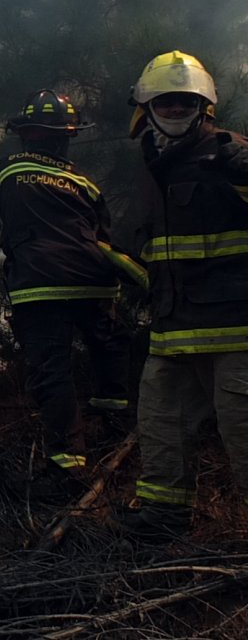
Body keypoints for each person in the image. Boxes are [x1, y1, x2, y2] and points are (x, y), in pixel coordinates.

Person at [0, 90, 139, 499]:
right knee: (107, 346)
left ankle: (67, 467)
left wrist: (7, 239)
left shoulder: (7, 170)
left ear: (25, 135)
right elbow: (104, 235)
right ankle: (114, 425)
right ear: (67, 137)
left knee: (53, 369)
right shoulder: (84, 182)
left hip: (41, 283)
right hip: (94, 280)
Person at [123, 50, 248, 541]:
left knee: (244, 433)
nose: (175, 111)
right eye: (165, 102)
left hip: (237, 333)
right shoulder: (154, 166)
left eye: (185, 102)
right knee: (160, 427)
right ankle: (162, 519)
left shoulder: (229, 155)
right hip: (174, 331)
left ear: (205, 107)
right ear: (145, 108)